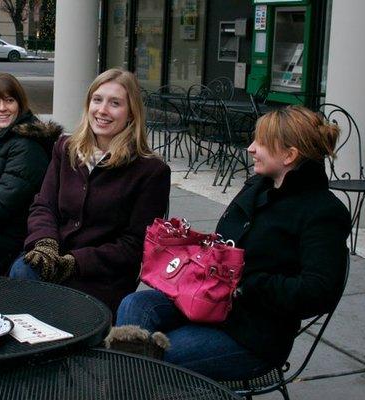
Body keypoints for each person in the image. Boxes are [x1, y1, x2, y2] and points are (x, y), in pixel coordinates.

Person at [112, 106, 351, 381]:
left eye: (261, 143)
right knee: (135, 306)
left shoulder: (322, 211)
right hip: (207, 302)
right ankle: (133, 383)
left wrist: (248, 284)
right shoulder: (258, 186)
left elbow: (318, 292)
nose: (250, 148)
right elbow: (228, 244)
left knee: (153, 355)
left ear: (289, 155)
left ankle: (128, 384)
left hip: (251, 335)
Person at [9, 68, 171, 315]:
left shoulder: (150, 170)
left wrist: (75, 263)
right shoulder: (66, 148)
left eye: (115, 103)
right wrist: (45, 244)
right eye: (97, 100)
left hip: (101, 278)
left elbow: (134, 245)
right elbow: (44, 205)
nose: (102, 110)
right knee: (23, 269)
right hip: (54, 259)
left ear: (131, 114)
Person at [0, 73, 62, 275]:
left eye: (9, 100)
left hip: (11, 237)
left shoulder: (26, 145)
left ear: (19, 104)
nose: (2, 108)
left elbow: (2, 206)